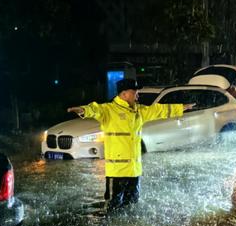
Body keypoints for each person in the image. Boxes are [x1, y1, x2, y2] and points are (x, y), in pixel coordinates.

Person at [67, 78, 194, 209]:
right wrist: (82, 110)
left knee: (132, 207)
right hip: (116, 173)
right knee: (112, 208)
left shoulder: (139, 111)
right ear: (124, 94)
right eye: (135, 92)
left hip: (134, 171)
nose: (138, 95)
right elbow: (94, 109)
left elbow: (158, 110)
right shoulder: (109, 110)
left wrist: (181, 108)